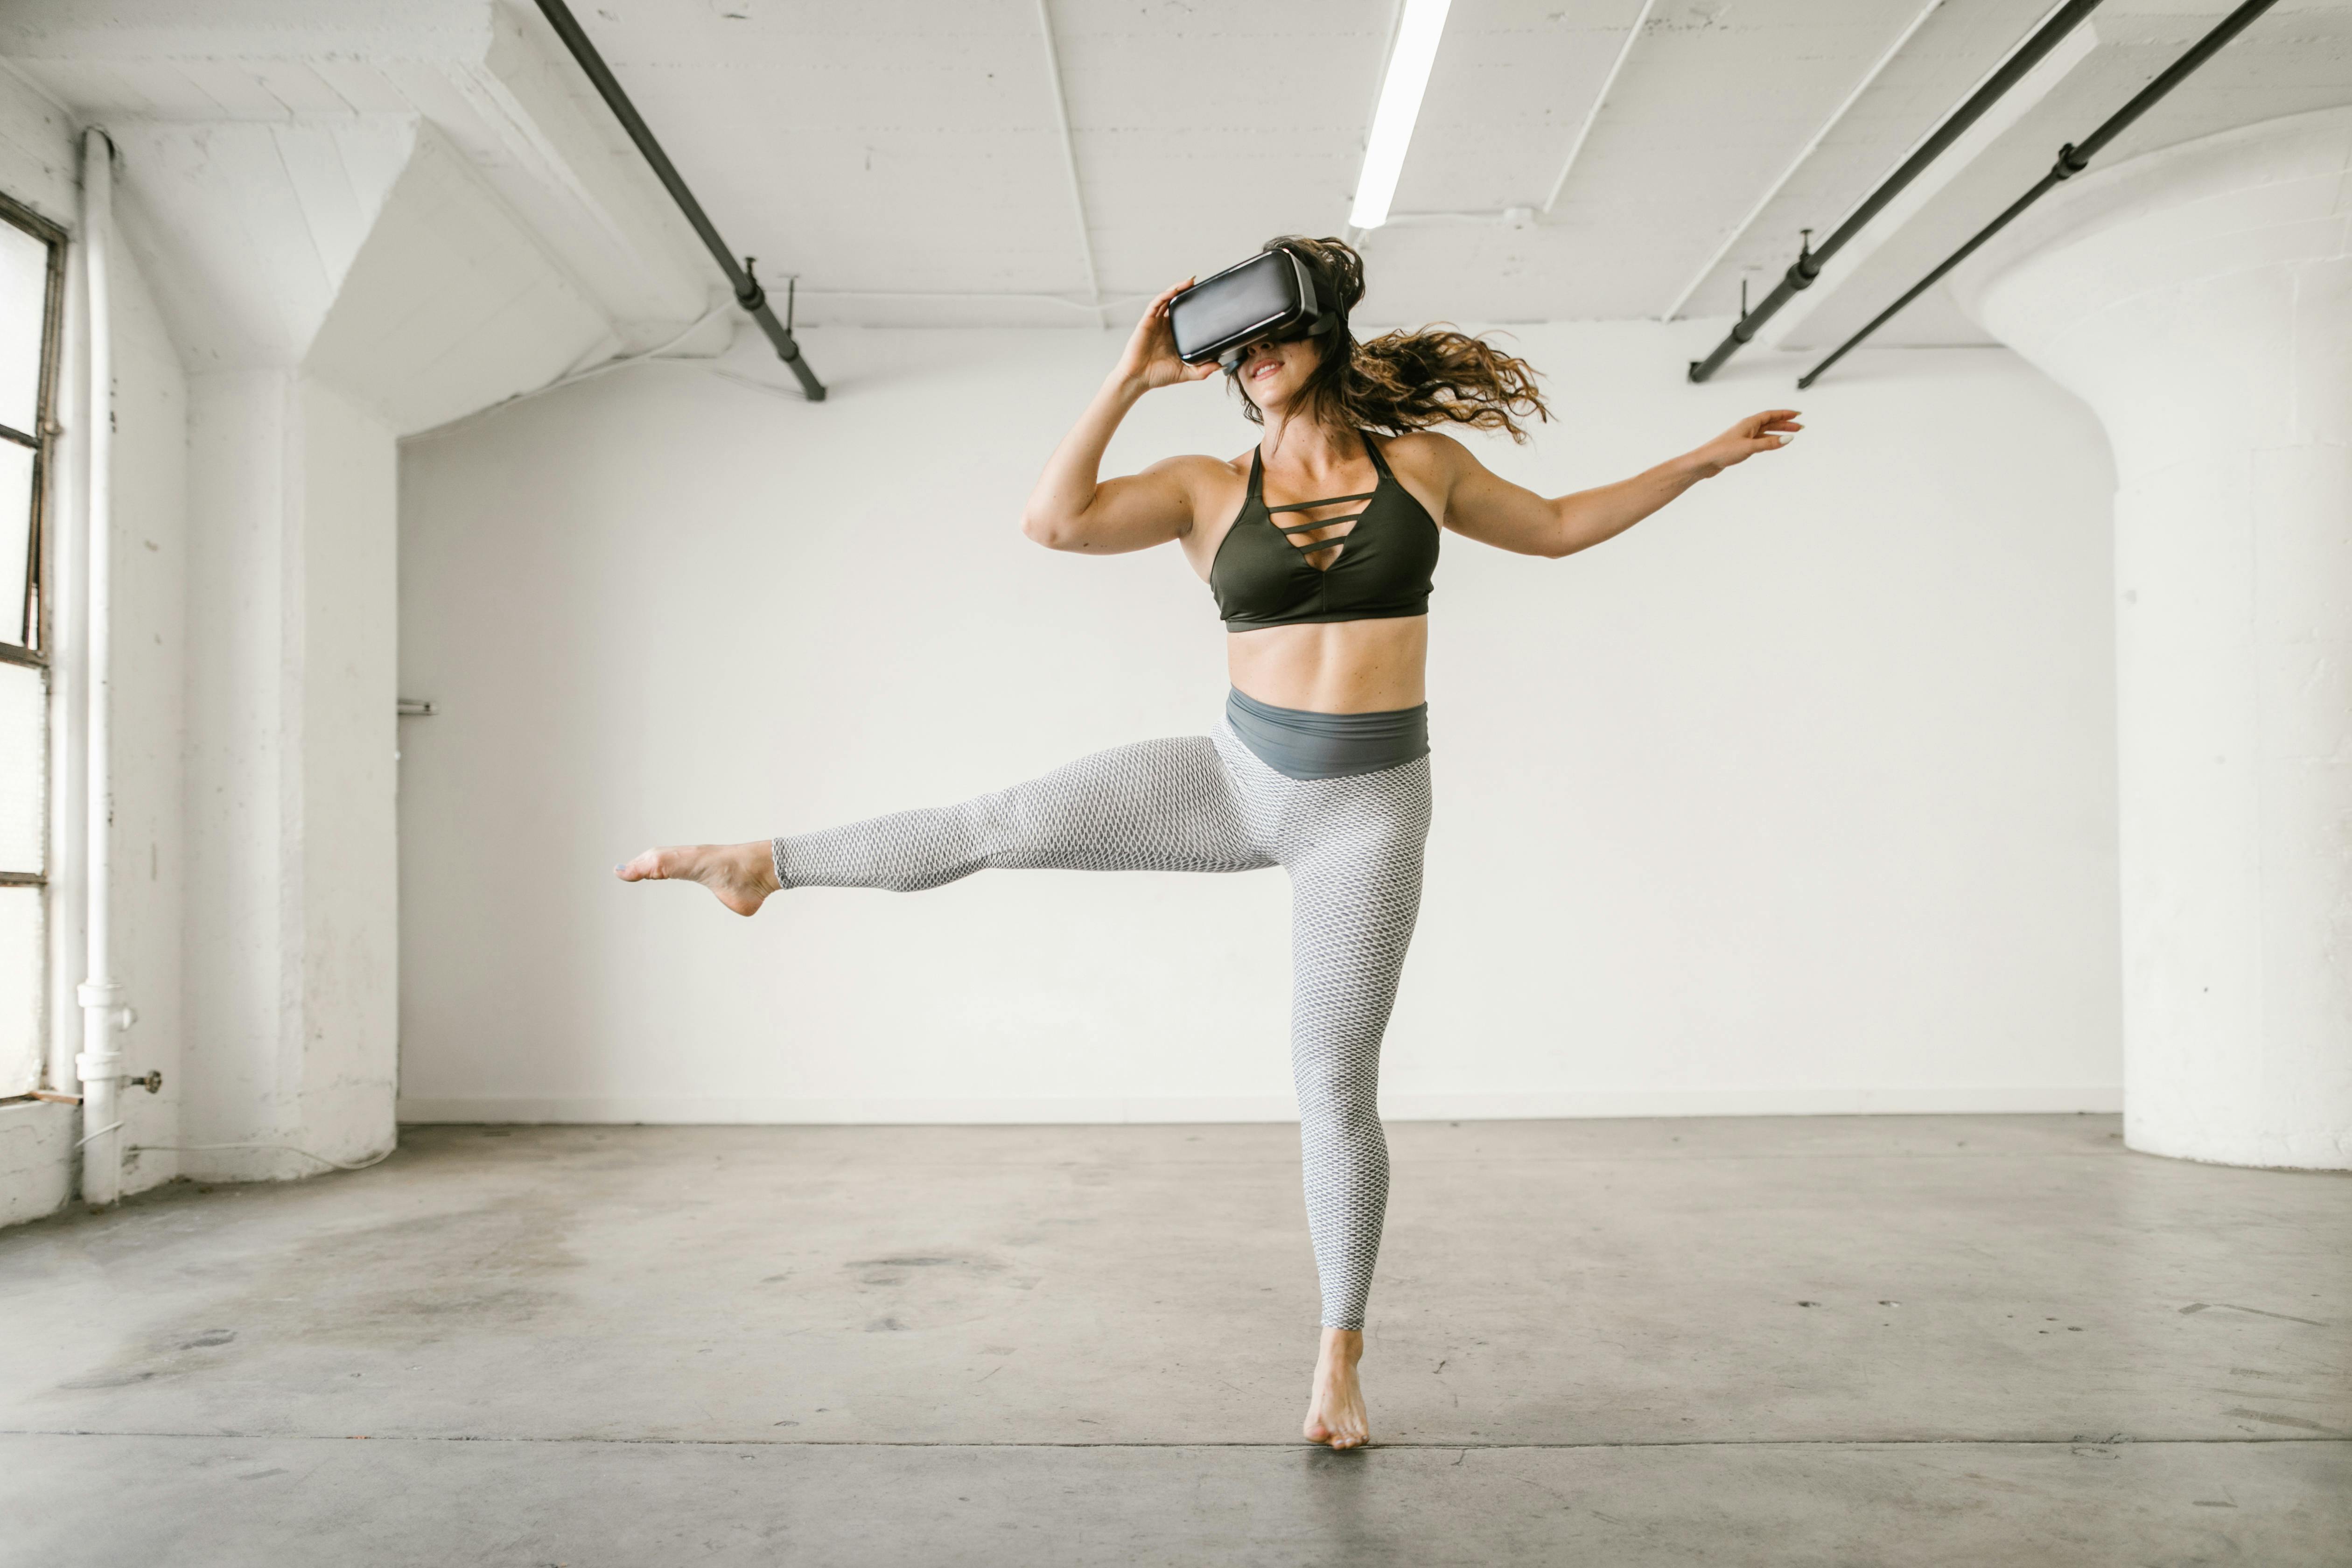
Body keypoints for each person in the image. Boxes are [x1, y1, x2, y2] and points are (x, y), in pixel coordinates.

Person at [619, 235, 1799, 1449]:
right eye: (1234, 352)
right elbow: (1054, 520)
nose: (1253, 361)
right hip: (1233, 780)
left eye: (1270, 337)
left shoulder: (1425, 468)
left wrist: (1699, 464)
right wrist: (1130, 379)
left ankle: (1339, 1357)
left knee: (1333, 1085)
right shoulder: (1205, 487)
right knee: (1001, 822)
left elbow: (1555, 525)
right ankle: (762, 864)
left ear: (1321, 335)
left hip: (1370, 813)